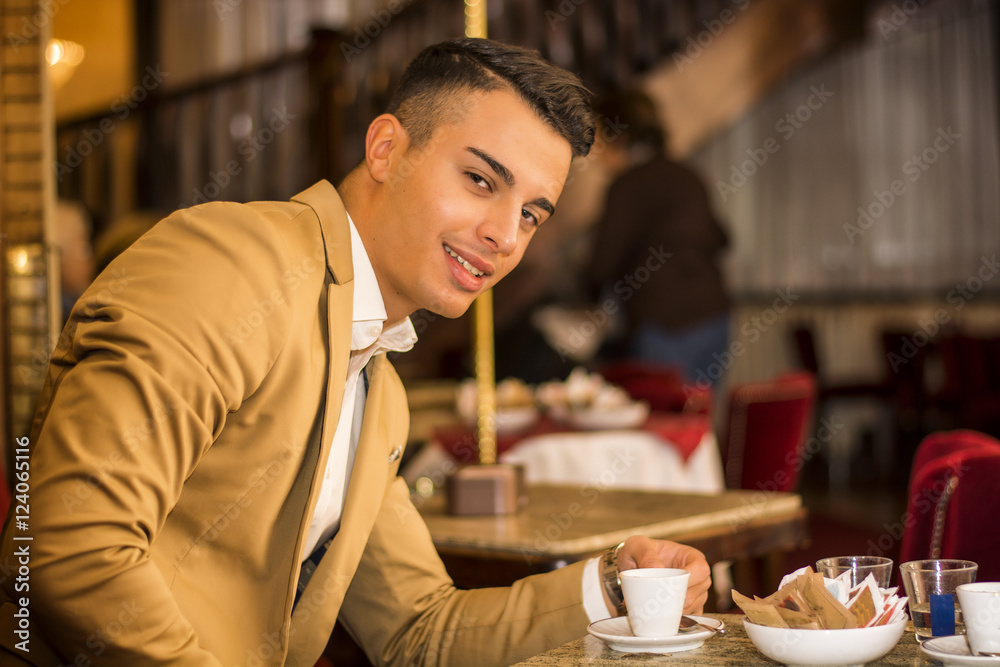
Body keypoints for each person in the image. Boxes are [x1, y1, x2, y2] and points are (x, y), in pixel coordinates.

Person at [0, 40, 711, 666]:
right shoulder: (232, 264)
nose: (504, 234)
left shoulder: (378, 386)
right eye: (480, 180)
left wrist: (613, 579)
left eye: (530, 212)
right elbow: (70, 548)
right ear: (386, 149)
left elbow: (419, 631)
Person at [584, 89, 731, 386]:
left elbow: (601, 266)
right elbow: (722, 239)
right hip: (715, 318)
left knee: (662, 426)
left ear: (619, 137)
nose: (596, 151)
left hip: (665, 326)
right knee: (697, 420)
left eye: (599, 137)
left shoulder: (627, 186)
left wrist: (585, 295)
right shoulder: (687, 175)